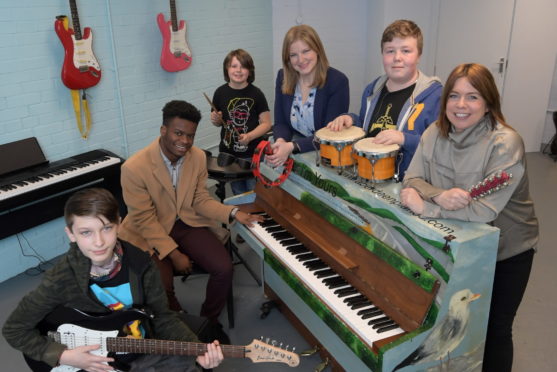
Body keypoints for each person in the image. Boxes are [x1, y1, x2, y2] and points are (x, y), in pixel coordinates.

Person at [400, 63, 538, 372]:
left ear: (489, 103)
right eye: (454, 96)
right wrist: (440, 194)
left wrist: (426, 205)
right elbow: (411, 179)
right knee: (452, 330)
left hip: (507, 250)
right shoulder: (435, 132)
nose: (461, 106)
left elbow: (483, 212)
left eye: (473, 97)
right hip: (455, 242)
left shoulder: (506, 144)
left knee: (495, 330)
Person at [2, 188, 223, 372]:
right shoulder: (62, 278)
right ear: (71, 234)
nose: (98, 242)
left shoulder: (142, 265)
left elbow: (162, 318)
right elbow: (14, 329)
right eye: (86, 232)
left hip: (138, 350)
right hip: (90, 362)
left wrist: (197, 350)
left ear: (118, 224)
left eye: (106, 228)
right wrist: (64, 356)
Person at [118, 100, 262, 326]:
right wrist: (174, 254)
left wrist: (233, 212)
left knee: (223, 268)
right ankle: (181, 324)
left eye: (190, 136)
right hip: (148, 230)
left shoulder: (197, 157)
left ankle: (207, 322)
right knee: (160, 284)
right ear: (163, 130)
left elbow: (199, 199)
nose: (185, 141)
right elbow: (144, 219)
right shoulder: (133, 168)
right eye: (178, 133)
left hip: (184, 221)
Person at [327, 19, 442, 180]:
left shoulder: (434, 95)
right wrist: (351, 119)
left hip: (407, 184)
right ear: (382, 54)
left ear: (419, 56)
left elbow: (440, 148)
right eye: (390, 51)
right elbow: (367, 127)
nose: (397, 57)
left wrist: (404, 138)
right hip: (366, 174)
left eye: (406, 51)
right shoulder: (372, 89)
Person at [268, 24, 350, 167]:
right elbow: (281, 122)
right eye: (293, 55)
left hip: (324, 157)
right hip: (295, 153)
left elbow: (328, 134)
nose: (300, 59)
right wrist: (280, 141)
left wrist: (292, 146)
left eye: (306, 51)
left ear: (317, 50)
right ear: (287, 58)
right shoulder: (283, 76)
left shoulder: (337, 81)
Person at [210, 49, 271, 195]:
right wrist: (216, 120)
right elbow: (218, 122)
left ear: (249, 71)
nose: (238, 70)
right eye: (234, 66)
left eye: (243, 66)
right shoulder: (219, 93)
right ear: (227, 69)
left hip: (251, 154)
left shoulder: (257, 94)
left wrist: (249, 136)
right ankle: (242, 216)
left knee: (254, 191)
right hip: (229, 154)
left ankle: (255, 217)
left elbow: (266, 123)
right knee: (237, 191)